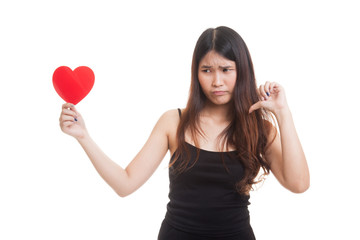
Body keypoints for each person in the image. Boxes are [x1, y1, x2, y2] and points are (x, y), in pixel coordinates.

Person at [59, 26, 310, 240]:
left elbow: (298, 184)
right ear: (196, 73)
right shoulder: (174, 122)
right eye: (207, 70)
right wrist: (84, 136)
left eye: (226, 69)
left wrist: (283, 113)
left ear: (241, 71)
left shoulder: (260, 128)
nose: (217, 82)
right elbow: (125, 184)